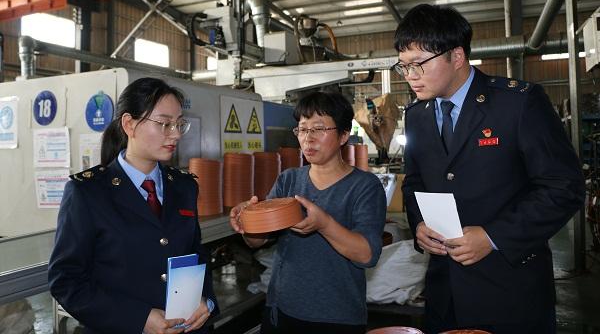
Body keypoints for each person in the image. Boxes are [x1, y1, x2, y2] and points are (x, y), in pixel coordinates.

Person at [397, 4, 585, 334]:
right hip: (444, 294)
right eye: (403, 66)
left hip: (510, 292)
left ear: (456, 56)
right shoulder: (416, 116)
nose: (410, 75)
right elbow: (413, 182)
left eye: (418, 64)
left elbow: (564, 187)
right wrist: (419, 225)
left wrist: (493, 236)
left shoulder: (517, 103)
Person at [48, 77, 218, 334]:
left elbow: (196, 254)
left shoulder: (183, 187)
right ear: (129, 124)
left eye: (179, 124)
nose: (175, 134)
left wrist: (206, 300)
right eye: (164, 124)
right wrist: (139, 319)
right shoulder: (89, 192)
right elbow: (66, 280)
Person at [230, 91, 387, 334]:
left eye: (319, 129)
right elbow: (257, 241)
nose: (308, 138)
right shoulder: (289, 180)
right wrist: (248, 221)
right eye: (302, 129)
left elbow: (367, 254)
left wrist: (324, 224)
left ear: (344, 135)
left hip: (336, 318)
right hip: (281, 310)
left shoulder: (364, 186)